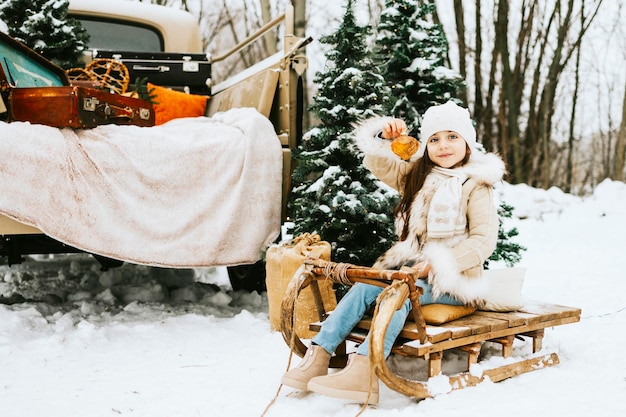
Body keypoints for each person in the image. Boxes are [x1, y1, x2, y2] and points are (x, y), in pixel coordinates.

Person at [281, 101, 506, 404]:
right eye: (434, 139)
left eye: (453, 137)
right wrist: (386, 139)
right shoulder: (418, 176)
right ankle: (318, 356)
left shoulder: (476, 185)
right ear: (425, 145)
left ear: (467, 142)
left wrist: (435, 264)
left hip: (455, 282)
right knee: (368, 284)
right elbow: (381, 164)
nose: (443, 146)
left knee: (396, 294)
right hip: (412, 273)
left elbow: (483, 240)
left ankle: (366, 370)